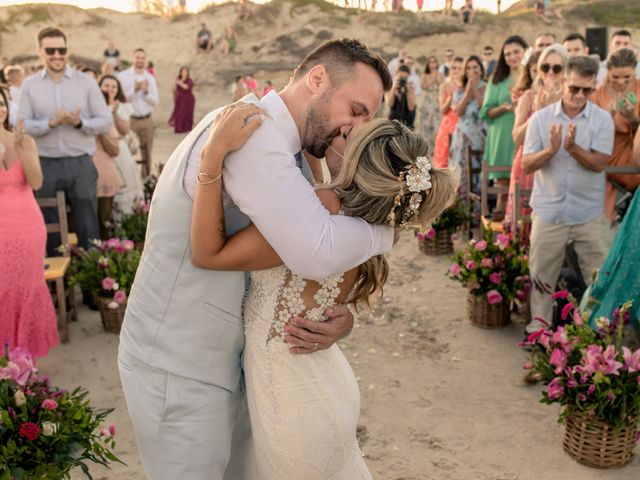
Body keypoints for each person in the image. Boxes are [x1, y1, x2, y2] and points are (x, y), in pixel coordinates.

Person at [118, 38, 396, 480]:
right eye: (356, 110)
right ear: (317, 79)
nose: (355, 127)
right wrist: (392, 226)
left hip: (239, 363)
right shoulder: (255, 136)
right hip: (181, 363)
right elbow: (316, 251)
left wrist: (339, 318)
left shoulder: (298, 151)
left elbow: (304, 261)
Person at [190, 107, 458, 478]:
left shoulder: (322, 209)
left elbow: (208, 253)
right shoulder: (372, 224)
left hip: (294, 400)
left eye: (350, 137)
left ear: (356, 164)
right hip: (316, 383)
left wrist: (212, 157)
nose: (342, 131)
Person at [522, 55, 614, 332]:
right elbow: (527, 163)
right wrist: (551, 150)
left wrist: (573, 148)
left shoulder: (602, 120)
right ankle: (539, 331)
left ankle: (595, 339)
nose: (579, 95)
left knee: (598, 280)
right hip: (549, 212)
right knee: (541, 278)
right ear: (563, 82)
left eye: (587, 90)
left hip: (588, 215)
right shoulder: (540, 119)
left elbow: (600, 163)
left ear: (594, 86)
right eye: (574, 88)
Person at [18, 27, 112, 254]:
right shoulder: (29, 85)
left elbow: (105, 121)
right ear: (39, 51)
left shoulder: (86, 83)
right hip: (44, 164)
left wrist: (79, 124)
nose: (57, 55)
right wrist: (50, 123)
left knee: (88, 224)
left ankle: (90, 282)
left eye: (62, 49)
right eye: (50, 50)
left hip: (81, 163)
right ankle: (55, 282)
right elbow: (21, 126)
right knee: (47, 226)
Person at [0, 89, 59, 358]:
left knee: (25, 287)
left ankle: (25, 358)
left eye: (0, 104)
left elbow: (36, 182)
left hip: (27, 226)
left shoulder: (26, 141)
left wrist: (22, 149)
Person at [506, 46, 567, 236]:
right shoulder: (529, 97)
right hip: (528, 166)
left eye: (556, 68)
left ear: (565, 70)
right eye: (545, 67)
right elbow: (516, 137)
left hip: (557, 169)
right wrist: (538, 114)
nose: (550, 73)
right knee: (523, 229)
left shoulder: (570, 99)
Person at [480, 35, 528, 218]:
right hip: (502, 135)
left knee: (524, 183)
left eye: (516, 52)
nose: (512, 57)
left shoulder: (532, 76)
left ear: (525, 52)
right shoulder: (497, 79)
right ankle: (501, 232)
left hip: (525, 133)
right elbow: (485, 112)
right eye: (507, 54)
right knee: (502, 191)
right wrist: (504, 108)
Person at [590, 48, 640, 225]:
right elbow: (590, 132)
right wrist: (608, 116)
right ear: (608, 72)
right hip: (609, 157)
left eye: (627, 77)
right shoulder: (598, 94)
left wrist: (634, 119)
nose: (621, 82)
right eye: (615, 77)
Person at [99, 74, 143, 215]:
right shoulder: (94, 105)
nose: (110, 89)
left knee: (125, 185)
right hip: (100, 152)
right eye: (107, 85)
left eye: (114, 86)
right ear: (99, 87)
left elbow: (124, 131)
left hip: (120, 150)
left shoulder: (123, 107)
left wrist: (114, 111)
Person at [118, 48, 159, 178]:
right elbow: (121, 99)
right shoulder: (123, 76)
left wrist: (146, 92)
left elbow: (155, 101)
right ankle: (129, 179)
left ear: (145, 60)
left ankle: (145, 180)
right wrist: (134, 90)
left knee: (147, 153)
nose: (140, 60)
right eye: (137, 57)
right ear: (133, 58)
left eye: (142, 58)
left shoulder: (150, 78)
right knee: (127, 151)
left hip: (147, 120)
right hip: (130, 120)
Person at [450, 55, 486, 199]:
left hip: (481, 134)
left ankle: (480, 202)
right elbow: (458, 111)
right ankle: (462, 199)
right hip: (463, 135)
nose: (472, 70)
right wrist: (467, 91)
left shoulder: (487, 87)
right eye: (469, 68)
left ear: (481, 70)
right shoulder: (460, 90)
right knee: (461, 167)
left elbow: (484, 109)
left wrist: (475, 89)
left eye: (475, 67)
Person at [92, 90, 121, 240]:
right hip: (82, 180)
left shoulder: (106, 122)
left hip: (104, 177)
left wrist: (101, 133)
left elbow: (115, 150)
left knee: (104, 224)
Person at [433, 56, 463, 168]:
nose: (456, 71)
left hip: (461, 125)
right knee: (443, 162)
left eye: (460, 68)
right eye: (454, 68)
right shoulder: (444, 86)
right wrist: (451, 97)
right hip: (447, 126)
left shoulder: (466, 87)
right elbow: (442, 110)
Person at [417, 55, 444, 146]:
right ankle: (427, 146)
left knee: (437, 123)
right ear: (428, 64)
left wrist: (436, 77)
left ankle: (437, 146)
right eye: (430, 62)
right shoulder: (424, 75)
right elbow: (423, 86)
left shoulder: (440, 74)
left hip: (437, 100)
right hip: (427, 100)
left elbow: (441, 85)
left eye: (434, 61)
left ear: (437, 63)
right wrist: (431, 79)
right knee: (426, 123)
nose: (432, 63)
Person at [387, 64, 416, 129]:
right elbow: (389, 104)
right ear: (396, 74)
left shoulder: (410, 88)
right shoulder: (390, 87)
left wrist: (408, 92)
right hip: (393, 123)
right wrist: (393, 89)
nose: (403, 80)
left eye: (405, 78)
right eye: (401, 77)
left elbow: (411, 108)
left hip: (407, 124)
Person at [169, 66, 195, 133]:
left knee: (187, 113)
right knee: (178, 113)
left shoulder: (189, 80)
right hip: (180, 99)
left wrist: (179, 82)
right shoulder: (178, 79)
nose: (184, 73)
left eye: (185, 72)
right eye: (182, 72)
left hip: (188, 99)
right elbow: (174, 89)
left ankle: (187, 128)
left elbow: (186, 87)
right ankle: (179, 129)